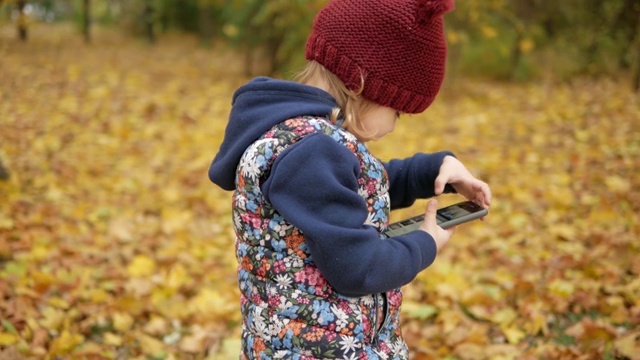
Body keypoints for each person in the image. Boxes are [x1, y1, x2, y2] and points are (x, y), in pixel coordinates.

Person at [208, 0, 492, 358]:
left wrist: (434, 170)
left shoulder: (300, 139)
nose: (393, 124)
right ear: (360, 84)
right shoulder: (312, 152)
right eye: (398, 111)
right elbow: (360, 268)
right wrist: (425, 244)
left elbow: (359, 190)